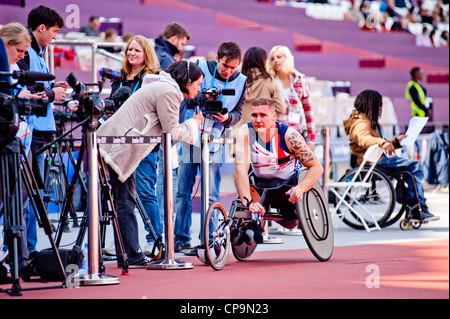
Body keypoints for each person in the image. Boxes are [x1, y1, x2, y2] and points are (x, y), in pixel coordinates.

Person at [97, 60, 204, 267]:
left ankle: (128, 256)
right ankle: (131, 257)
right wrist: (194, 123)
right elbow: (171, 131)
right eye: (197, 84)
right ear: (188, 81)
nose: (199, 89)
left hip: (116, 144)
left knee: (124, 200)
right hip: (118, 147)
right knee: (125, 202)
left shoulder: (164, 87)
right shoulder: (169, 92)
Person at [173, 41, 247, 252]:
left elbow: (238, 114)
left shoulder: (241, 81)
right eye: (225, 65)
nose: (228, 71)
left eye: (233, 67)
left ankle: (210, 238)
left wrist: (226, 117)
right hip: (190, 137)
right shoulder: (198, 67)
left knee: (212, 193)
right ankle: (180, 238)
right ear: (217, 59)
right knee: (183, 191)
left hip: (215, 140)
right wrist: (202, 98)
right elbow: (182, 100)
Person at [233, 97, 324, 243]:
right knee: (244, 186)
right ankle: (250, 225)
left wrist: (300, 188)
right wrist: (248, 203)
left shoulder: (289, 135)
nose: (258, 120)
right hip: (259, 186)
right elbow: (240, 170)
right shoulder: (245, 132)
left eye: (263, 115)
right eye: (254, 115)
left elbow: (316, 167)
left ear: (274, 117)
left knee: (291, 223)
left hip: (287, 189)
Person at [343, 89, 439, 222]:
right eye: (379, 105)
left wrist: (395, 142)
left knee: (409, 168)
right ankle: (417, 207)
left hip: (378, 160)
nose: (380, 109)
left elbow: (375, 142)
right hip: (372, 163)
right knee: (413, 166)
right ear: (371, 105)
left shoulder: (369, 122)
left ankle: (416, 206)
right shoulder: (361, 123)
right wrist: (382, 142)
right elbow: (363, 139)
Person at [16, 5, 66, 258]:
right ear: (42, 28)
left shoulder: (38, 51)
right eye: (54, 31)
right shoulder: (24, 53)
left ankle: (27, 251)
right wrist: (50, 94)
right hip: (30, 135)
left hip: (41, 133)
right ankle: (22, 252)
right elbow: (25, 94)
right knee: (25, 198)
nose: (56, 37)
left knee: (34, 198)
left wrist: (51, 88)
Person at [108, 35, 163, 257]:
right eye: (129, 50)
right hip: (120, 142)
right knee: (124, 197)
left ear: (146, 54)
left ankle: (157, 241)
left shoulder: (152, 78)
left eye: (137, 51)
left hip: (144, 141)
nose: (131, 54)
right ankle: (128, 246)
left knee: (145, 192)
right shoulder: (119, 76)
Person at [0, 23, 46, 282]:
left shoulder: (16, 68)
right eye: (18, 50)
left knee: (22, 203)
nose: (21, 55)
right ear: (4, 44)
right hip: (6, 140)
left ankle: (21, 259)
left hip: (22, 140)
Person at [153, 22, 191, 255]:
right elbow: (176, 97)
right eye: (183, 43)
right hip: (167, 127)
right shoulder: (166, 60)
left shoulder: (160, 54)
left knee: (165, 178)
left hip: (164, 125)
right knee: (167, 179)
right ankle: (166, 233)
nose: (183, 48)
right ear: (175, 38)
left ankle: (165, 232)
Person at [266, 45, 316, 152]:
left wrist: (311, 139)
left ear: (287, 58)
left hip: (296, 133)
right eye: (272, 58)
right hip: (275, 134)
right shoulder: (270, 80)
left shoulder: (299, 79)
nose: (275, 60)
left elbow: (308, 110)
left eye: (279, 57)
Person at [236, 46, 286, 127]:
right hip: (262, 132)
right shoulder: (270, 80)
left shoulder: (237, 81)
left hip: (239, 132)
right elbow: (281, 108)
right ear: (263, 61)